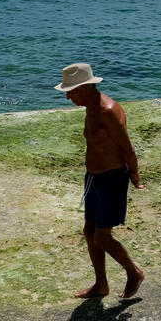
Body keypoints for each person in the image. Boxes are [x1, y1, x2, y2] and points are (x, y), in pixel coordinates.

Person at [55, 63, 145, 299]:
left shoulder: (108, 110)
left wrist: (135, 174)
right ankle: (101, 285)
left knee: (102, 236)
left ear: (86, 87)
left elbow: (127, 147)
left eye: (72, 91)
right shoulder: (90, 106)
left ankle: (134, 273)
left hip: (112, 178)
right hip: (94, 178)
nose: (68, 96)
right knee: (89, 231)